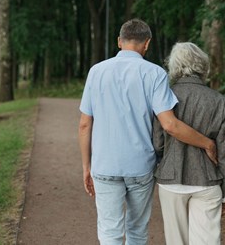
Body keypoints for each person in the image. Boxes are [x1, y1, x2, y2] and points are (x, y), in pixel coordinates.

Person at [78, 19, 217, 245]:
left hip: (104, 165)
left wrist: (87, 166)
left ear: (119, 42)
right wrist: (207, 143)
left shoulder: (97, 72)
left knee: (109, 232)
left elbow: (85, 124)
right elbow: (170, 125)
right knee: (137, 231)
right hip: (139, 166)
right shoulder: (155, 74)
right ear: (147, 44)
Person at [153, 42, 225, 245]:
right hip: (207, 181)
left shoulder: (165, 95)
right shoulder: (219, 100)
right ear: (202, 66)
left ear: (175, 66)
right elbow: (224, 152)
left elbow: (158, 143)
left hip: (171, 180)